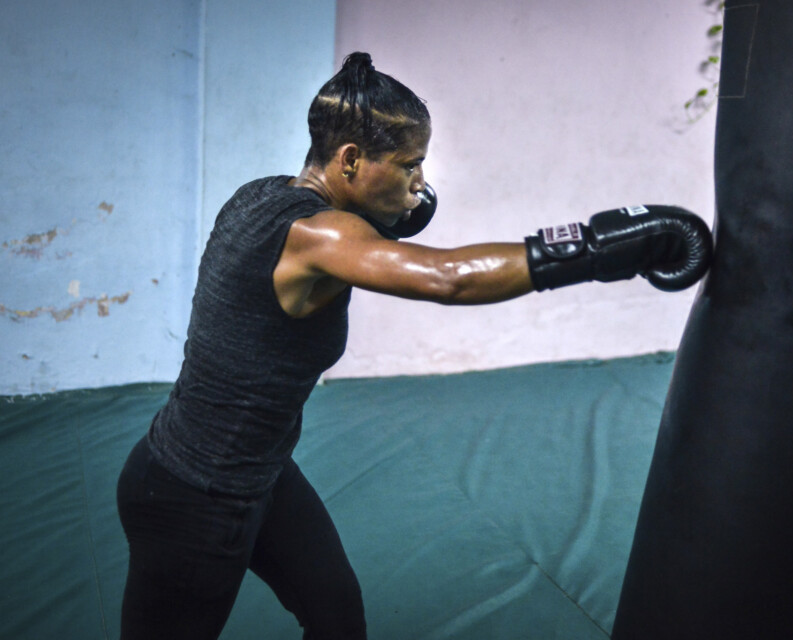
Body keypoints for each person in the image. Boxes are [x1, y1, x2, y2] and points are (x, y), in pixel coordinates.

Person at [116, 52, 711, 640]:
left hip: (261, 474)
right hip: (194, 495)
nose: (421, 184)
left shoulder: (261, 195)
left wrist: (385, 210)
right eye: (409, 165)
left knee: (337, 616)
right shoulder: (319, 235)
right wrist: (602, 248)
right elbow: (448, 277)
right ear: (350, 160)